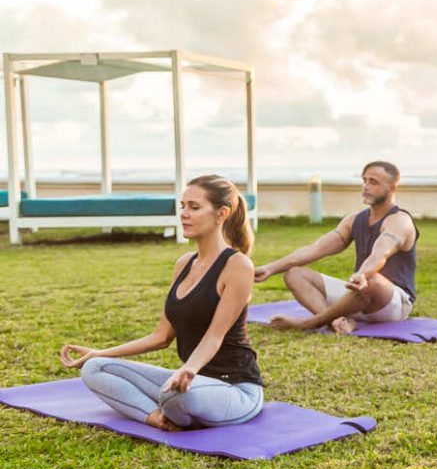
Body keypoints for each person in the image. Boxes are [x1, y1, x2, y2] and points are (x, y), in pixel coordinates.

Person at [59, 175, 263, 431]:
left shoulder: (237, 265)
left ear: (221, 213)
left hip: (235, 388)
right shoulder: (184, 264)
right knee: (94, 368)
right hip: (191, 380)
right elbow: (161, 337)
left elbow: (214, 336)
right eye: (182, 206)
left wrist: (189, 368)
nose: (184, 214)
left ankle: (173, 407)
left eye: (194, 207)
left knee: (175, 394)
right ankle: (155, 417)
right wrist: (98, 352)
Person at [254, 161, 418, 334]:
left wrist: (363, 275)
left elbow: (380, 253)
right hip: (358, 296)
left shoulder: (400, 221)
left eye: (373, 182)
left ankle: (311, 322)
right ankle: (337, 321)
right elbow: (315, 249)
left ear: (392, 188)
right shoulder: (354, 220)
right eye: (364, 180)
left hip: (391, 303)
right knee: (294, 274)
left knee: (373, 280)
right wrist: (270, 268)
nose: (366, 186)